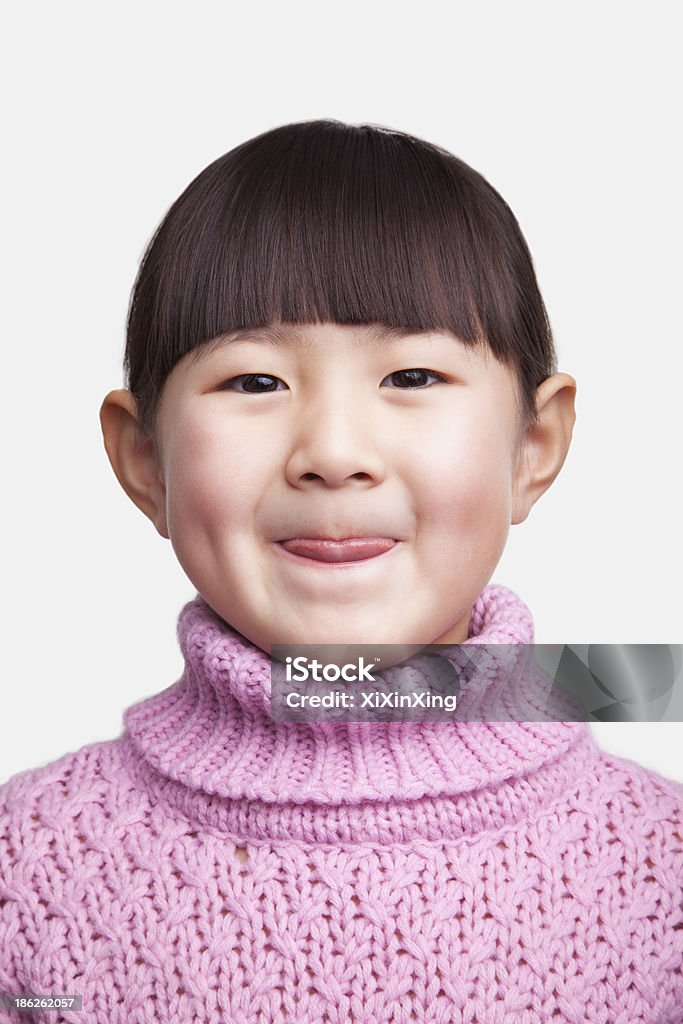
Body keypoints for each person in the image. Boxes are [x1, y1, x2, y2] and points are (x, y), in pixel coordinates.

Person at [1, 120, 681, 1024]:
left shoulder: (661, 871)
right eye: (253, 382)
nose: (332, 452)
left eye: (410, 374)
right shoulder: (29, 866)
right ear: (144, 461)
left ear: (533, 446)